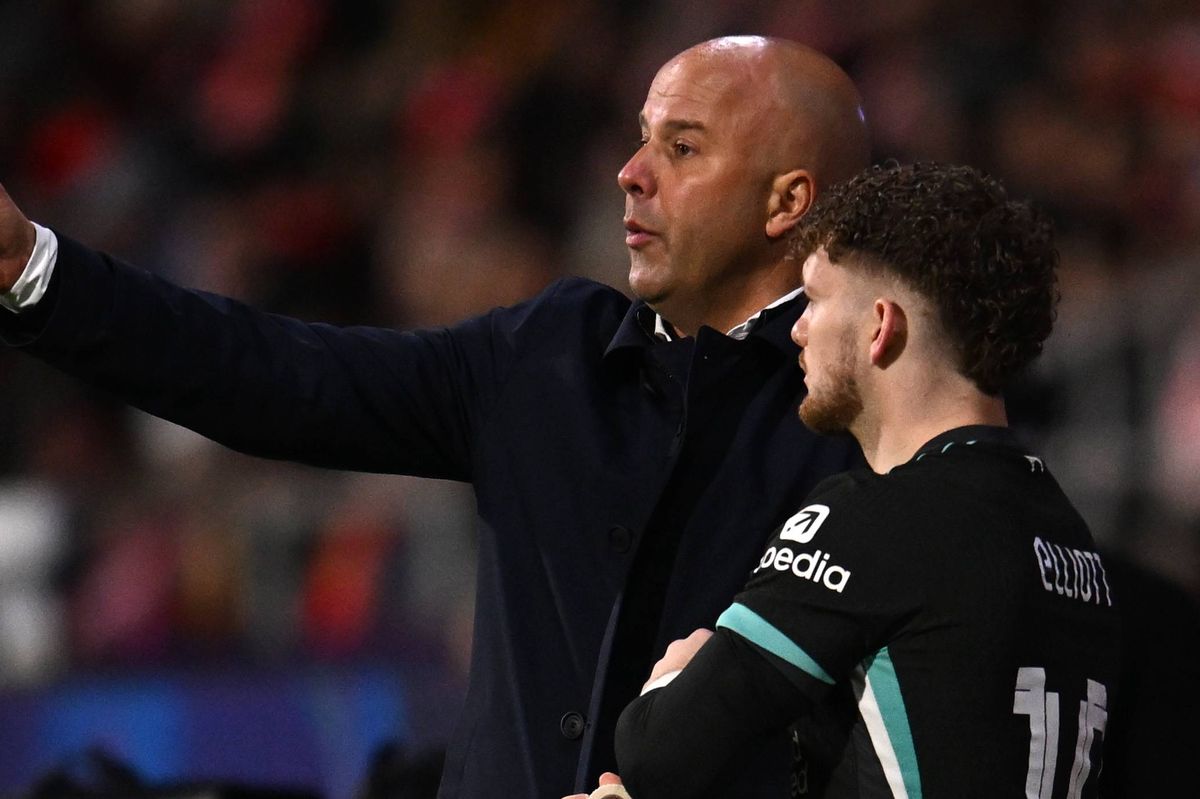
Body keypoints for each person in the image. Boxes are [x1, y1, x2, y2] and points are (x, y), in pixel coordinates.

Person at [0, 36, 870, 799]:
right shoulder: (548, 358)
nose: (631, 173)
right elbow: (277, 376)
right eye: (641, 138)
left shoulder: (871, 416)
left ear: (786, 202)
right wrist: (36, 270)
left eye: (681, 148)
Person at [605, 162, 1122, 798]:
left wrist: (676, 675)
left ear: (881, 326)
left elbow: (658, 752)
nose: (795, 328)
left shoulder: (877, 518)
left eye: (814, 300)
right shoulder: (1071, 538)